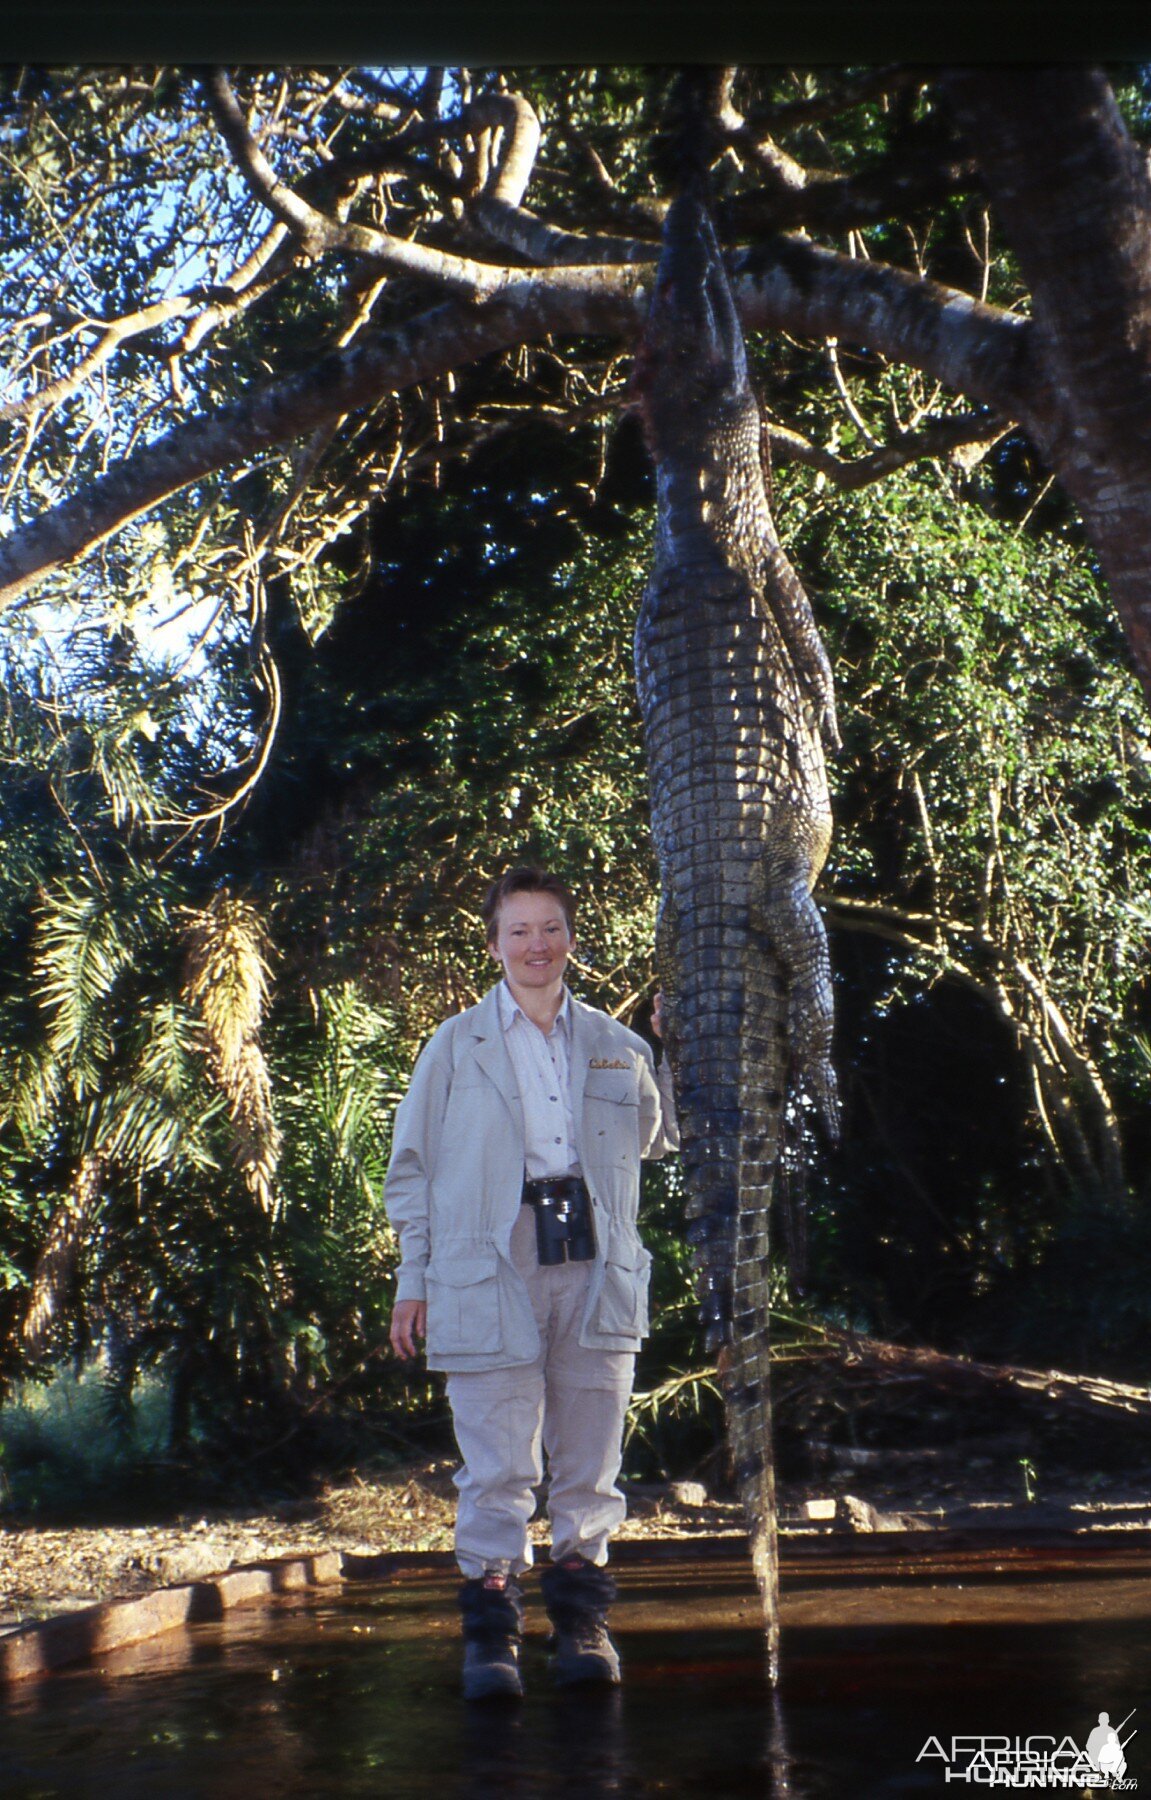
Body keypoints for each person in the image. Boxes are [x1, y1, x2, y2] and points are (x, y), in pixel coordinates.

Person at [384, 866, 677, 1700]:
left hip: (597, 1264)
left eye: (549, 928)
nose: (535, 945)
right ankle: (492, 1639)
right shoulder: (453, 1047)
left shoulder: (621, 1046)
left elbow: (669, 1138)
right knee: (496, 1465)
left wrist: (679, 1049)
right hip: (487, 1266)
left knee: (589, 1462)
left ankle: (583, 1624)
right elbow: (411, 1172)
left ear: (570, 939)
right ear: (494, 944)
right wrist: (416, 1279)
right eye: (518, 931)